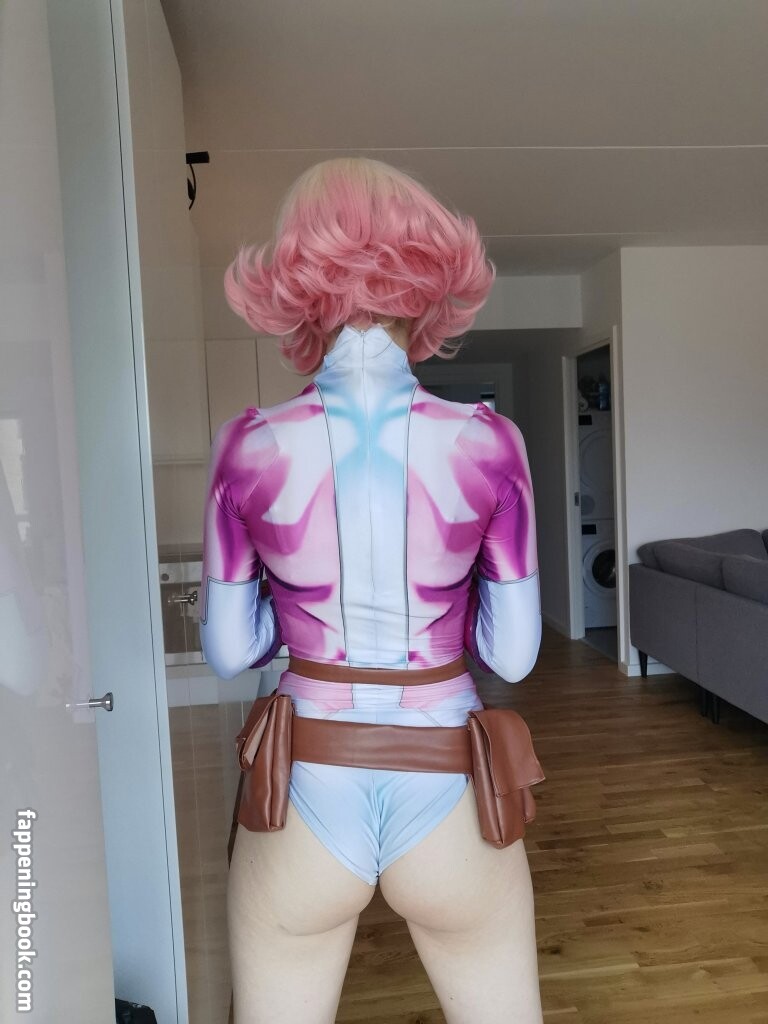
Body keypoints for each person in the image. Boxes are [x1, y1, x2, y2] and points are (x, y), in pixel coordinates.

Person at [199, 157, 543, 1024]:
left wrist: (295, 613)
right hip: (448, 782)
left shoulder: (247, 444)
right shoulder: (488, 442)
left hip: (304, 782)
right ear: (425, 277)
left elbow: (231, 651)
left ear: (300, 279)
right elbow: (513, 656)